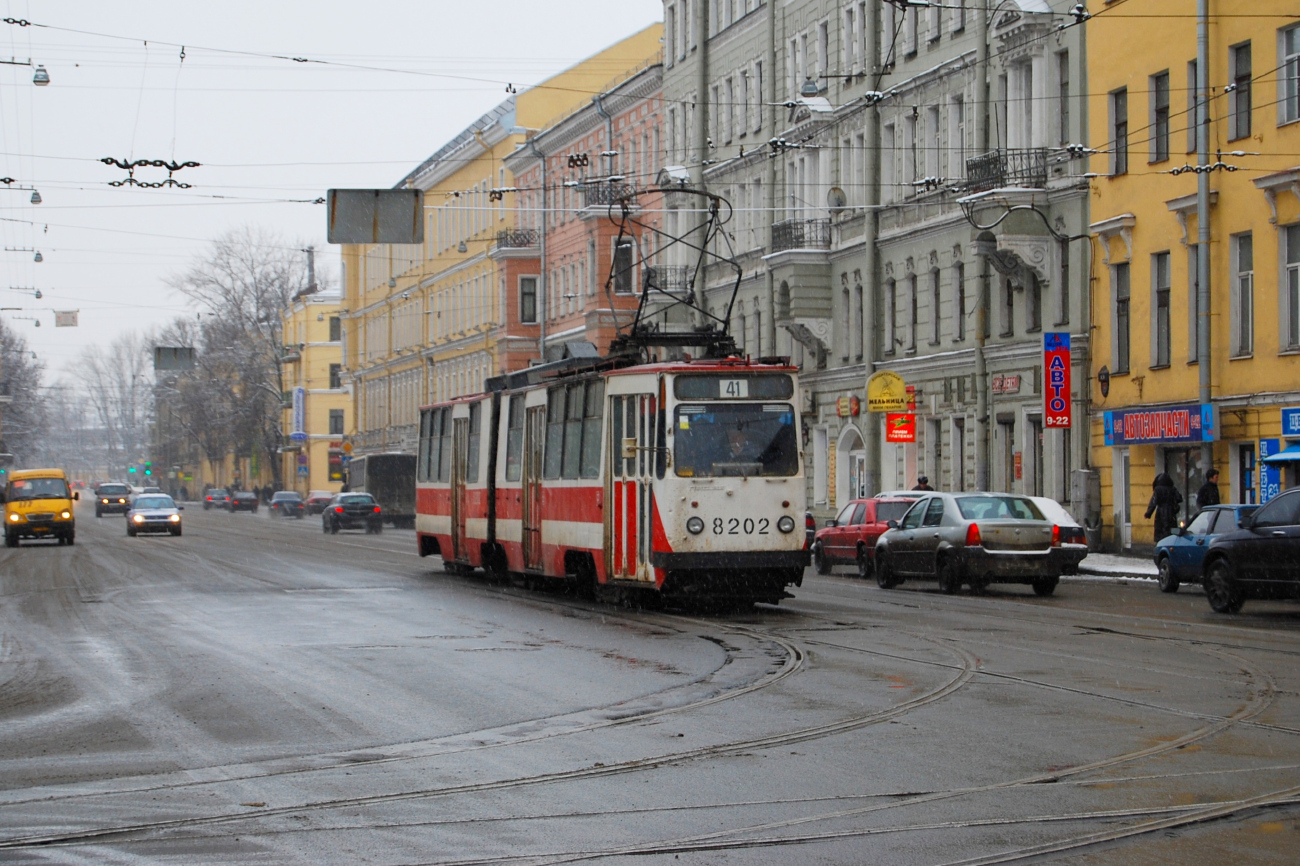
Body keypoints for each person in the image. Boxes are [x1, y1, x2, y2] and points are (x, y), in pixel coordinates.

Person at [1145, 473, 1183, 542]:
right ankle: (1170, 543)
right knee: (1170, 531)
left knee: (1160, 530)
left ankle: (1161, 544)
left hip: (1160, 512)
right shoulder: (1173, 489)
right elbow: (1179, 498)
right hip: (1171, 513)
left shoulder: (1158, 489)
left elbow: (1153, 502)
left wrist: (1148, 513)